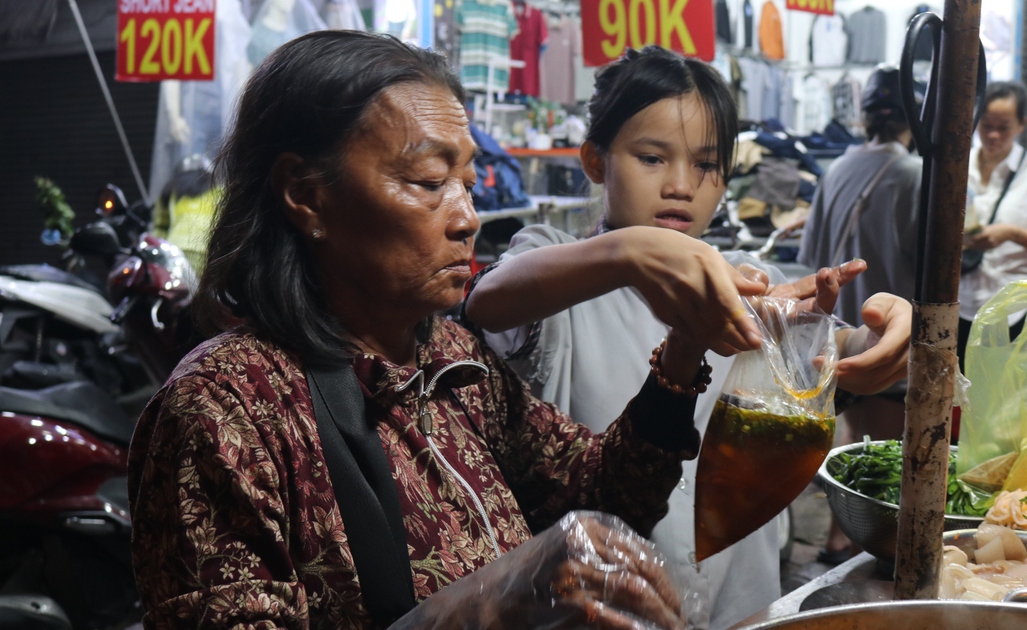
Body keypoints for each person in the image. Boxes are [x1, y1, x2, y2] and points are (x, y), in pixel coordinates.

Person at [127, 32, 713, 629]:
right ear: (306, 195)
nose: (467, 218)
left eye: (466, 182)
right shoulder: (227, 408)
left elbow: (603, 496)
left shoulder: (452, 359)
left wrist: (687, 345)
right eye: (430, 182)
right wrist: (480, 605)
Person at [465, 46, 912, 629]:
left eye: (706, 165)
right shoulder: (556, 265)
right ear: (596, 161)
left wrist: (883, 340)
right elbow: (488, 301)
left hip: (741, 607)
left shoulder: (753, 280)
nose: (681, 186)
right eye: (652, 158)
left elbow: (837, 343)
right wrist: (629, 252)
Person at [796, 65, 923, 565]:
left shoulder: (837, 168)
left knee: (852, 436)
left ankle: (836, 536)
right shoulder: (913, 174)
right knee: (883, 449)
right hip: (886, 329)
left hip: (837, 327)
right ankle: (862, 541)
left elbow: (813, 254)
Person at [959, 81, 1027, 366]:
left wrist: (1010, 233)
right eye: (986, 126)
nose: (993, 135)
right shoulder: (958, 166)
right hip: (959, 305)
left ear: (1022, 125)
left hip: (1016, 309)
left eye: (1004, 127)